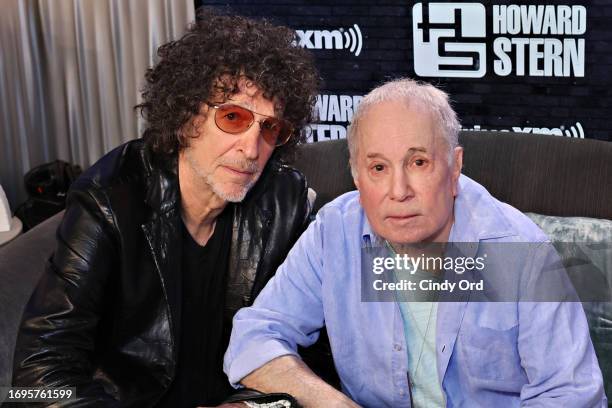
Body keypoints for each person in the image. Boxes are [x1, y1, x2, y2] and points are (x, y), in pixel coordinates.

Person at [224, 78, 607, 407]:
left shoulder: (521, 251)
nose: (398, 191)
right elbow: (254, 337)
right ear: (357, 177)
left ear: (455, 168)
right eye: (378, 168)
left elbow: (571, 396)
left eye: (418, 162)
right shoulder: (334, 233)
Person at [12, 9, 319, 407]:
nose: (251, 149)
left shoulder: (284, 202)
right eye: (233, 117)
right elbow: (34, 378)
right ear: (186, 115)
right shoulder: (110, 199)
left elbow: (311, 347)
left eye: (269, 128)